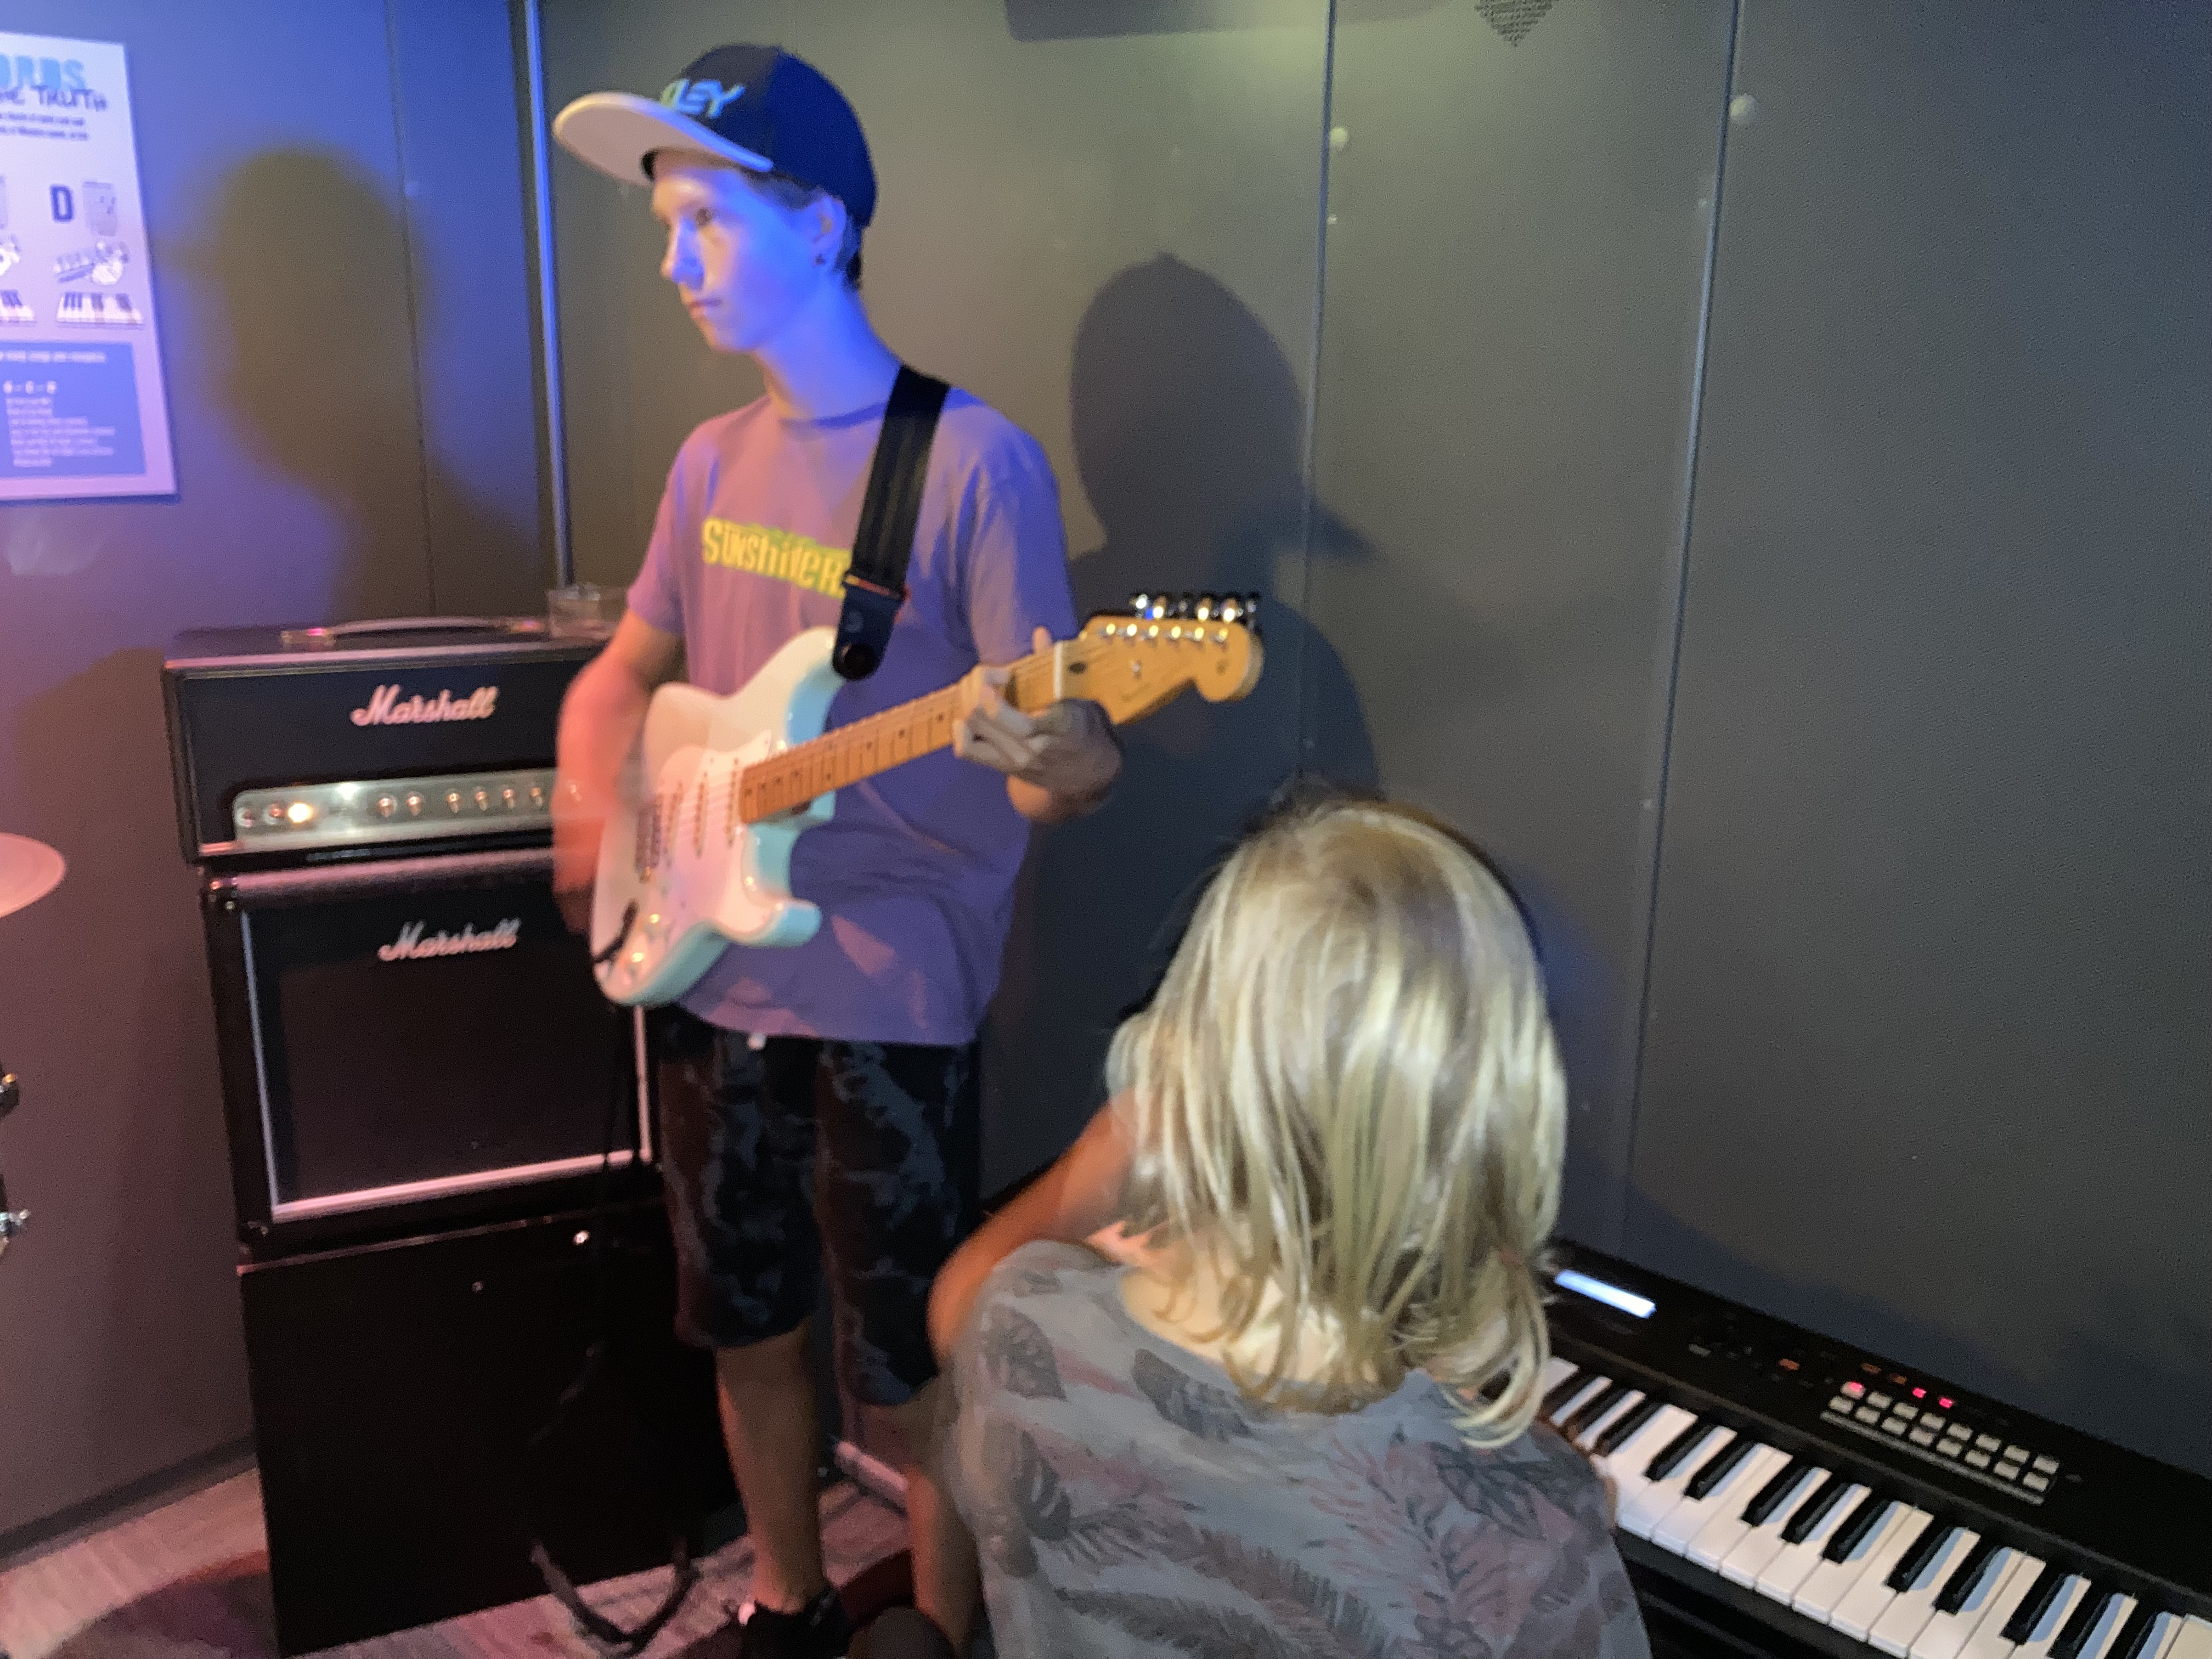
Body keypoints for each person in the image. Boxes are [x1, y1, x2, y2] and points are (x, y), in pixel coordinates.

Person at [548, 45, 1122, 1659]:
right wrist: (597, 794)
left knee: (916, 1361)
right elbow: (628, 668)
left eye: (708, 223)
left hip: (890, 987)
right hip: (703, 961)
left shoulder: (972, 461)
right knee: (742, 1326)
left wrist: (1062, 759)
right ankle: (785, 1605)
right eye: (665, 228)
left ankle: (932, 1638)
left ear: (820, 225)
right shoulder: (706, 462)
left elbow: (1062, 770)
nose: (675, 263)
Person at [925, 794, 1651, 1658]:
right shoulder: (1533, 1550)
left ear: (1188, 1044)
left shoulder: (1019, 1321)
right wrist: (1558, 1516)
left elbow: (961, 1319)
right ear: (1494, 1112)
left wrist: (1117, 1163)